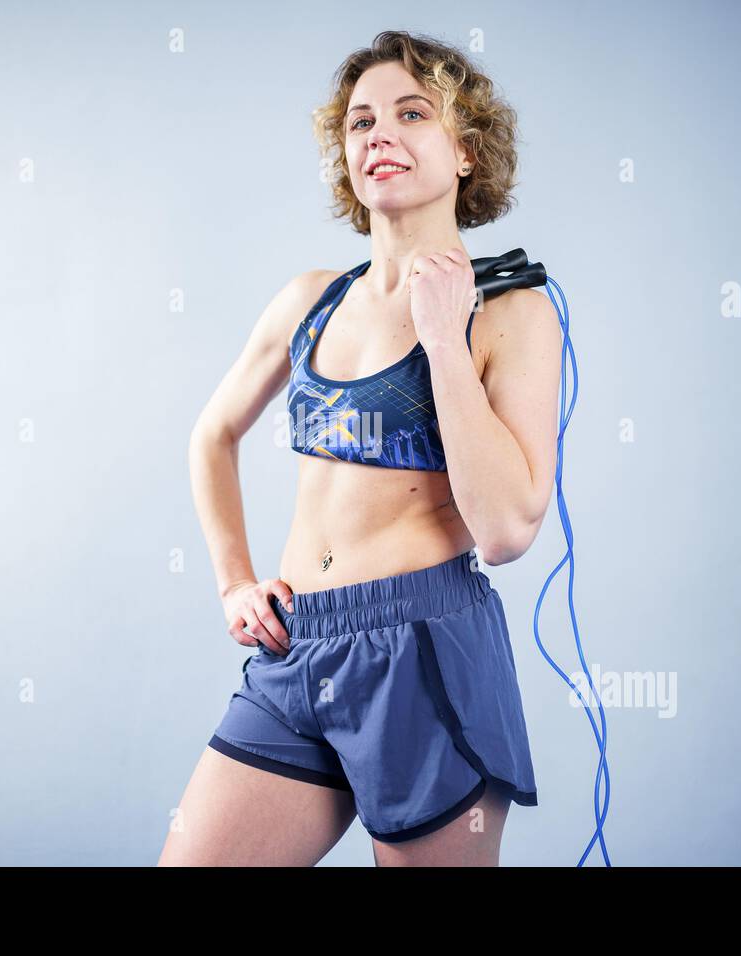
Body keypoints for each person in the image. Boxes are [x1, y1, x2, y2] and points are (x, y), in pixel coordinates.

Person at [158, 30, 562, 867]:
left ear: (464, 150)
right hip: (297, 645)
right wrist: (235, 579)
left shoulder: (512, 314)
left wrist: (444, 341)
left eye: (412, 114)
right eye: (360, 121)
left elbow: (506, 532)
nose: (378, 133)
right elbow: (213, 433)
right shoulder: (310, 299)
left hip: (423, 653)